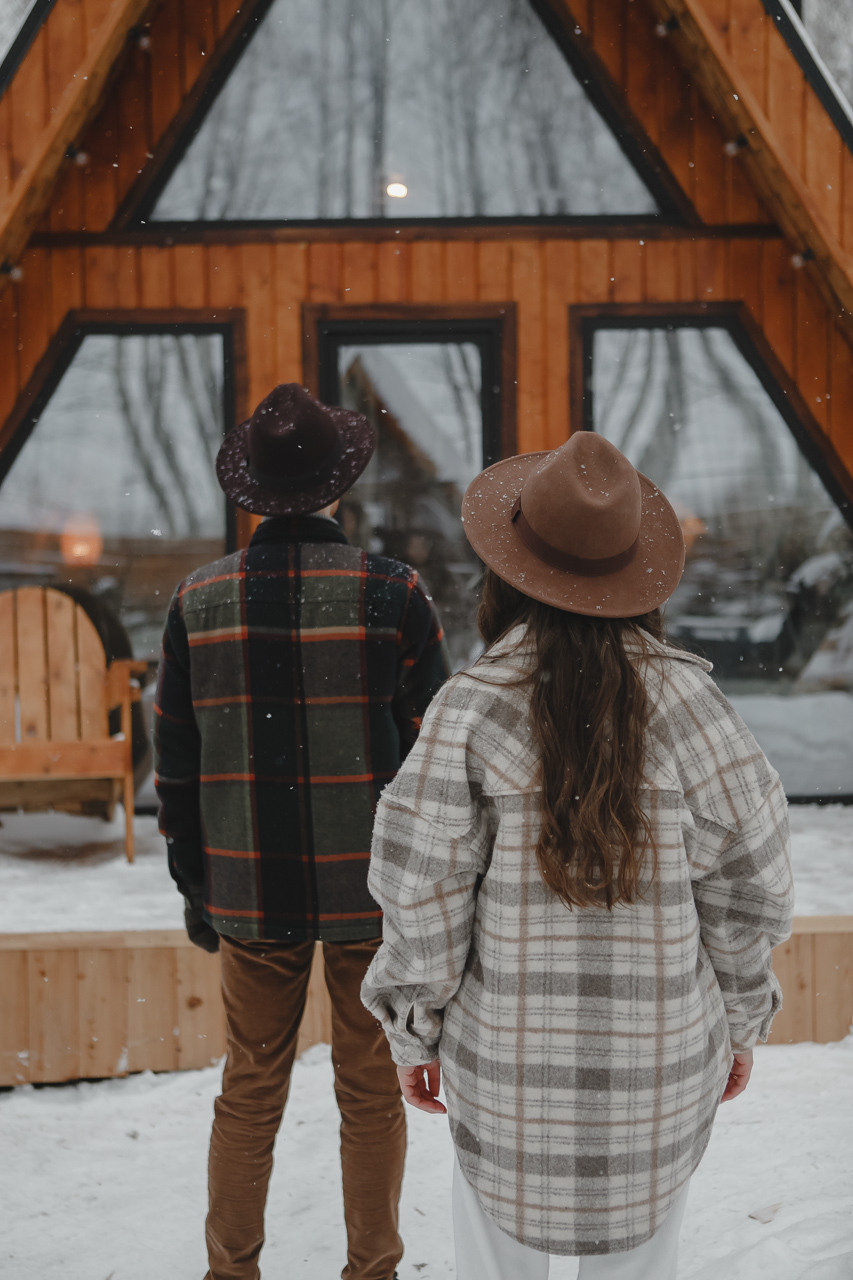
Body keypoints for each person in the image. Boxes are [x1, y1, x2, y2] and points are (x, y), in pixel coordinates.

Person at [361, 431, 794, 1280]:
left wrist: (415, 1031)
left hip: (504, 1074)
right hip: (658, 1070)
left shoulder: (470, 710)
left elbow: (420, 890)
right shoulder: (695, 706)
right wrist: (740, 1021)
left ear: (507, 570)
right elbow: (752, 890)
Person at [154, 383, 450, 1280]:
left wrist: (197, 888)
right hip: (371, 892)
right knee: (370, 1095)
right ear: (338, 486)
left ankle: (229, 1272)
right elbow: (433, 759)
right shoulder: (392, 592)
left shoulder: (197, 601)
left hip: (249, 890)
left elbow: (176, 769)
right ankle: (373, 1271)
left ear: (252, 491)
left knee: (248, 1091)